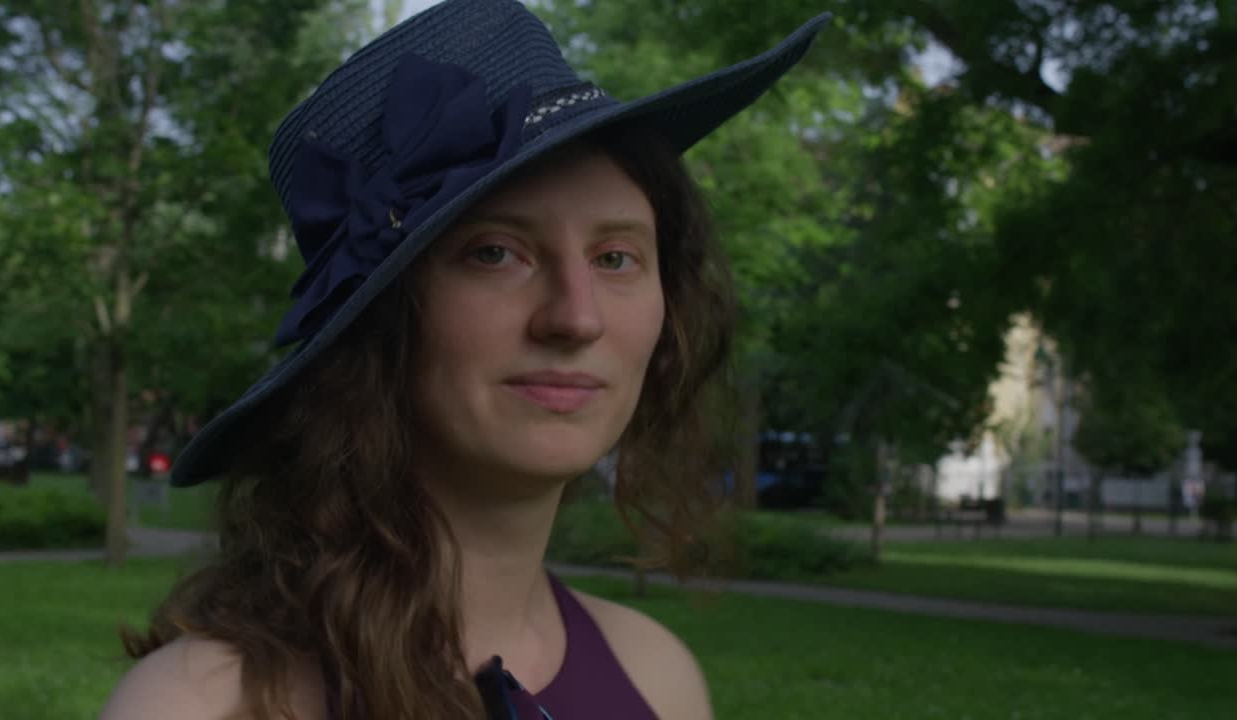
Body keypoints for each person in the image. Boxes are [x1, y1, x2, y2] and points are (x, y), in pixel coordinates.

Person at [100, 1, 830, 718]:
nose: (575, 317)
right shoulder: (206, 706)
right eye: (495, 253)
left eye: (615, 256)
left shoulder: (660, 680)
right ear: (377, 327)